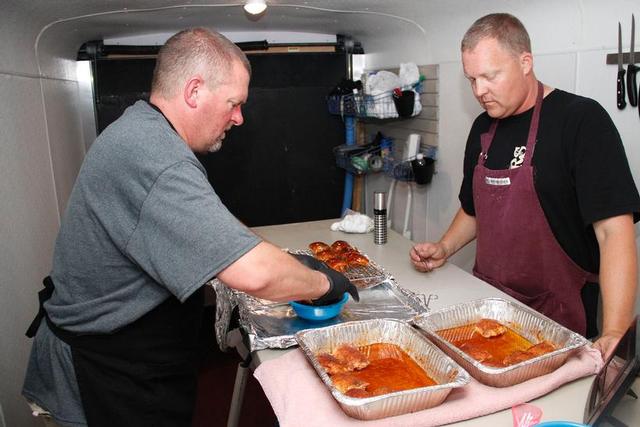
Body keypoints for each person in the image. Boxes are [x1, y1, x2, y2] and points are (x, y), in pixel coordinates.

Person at [22, 28, 358, 427]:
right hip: (99, 378)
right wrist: (324, 284)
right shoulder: (157, 158)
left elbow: (214, 220)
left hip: (127, 358)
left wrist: (284, 258)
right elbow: (252, 274)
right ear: (194, 91)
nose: (239, 117)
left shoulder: (144, 129)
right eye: (234, 103)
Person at [410, 13, 639, 358]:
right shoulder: (483, 129)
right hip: (487, 314)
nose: (479, 91)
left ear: (525, 62)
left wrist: (616, 331)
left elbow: (614, 232)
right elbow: (475, 209)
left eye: (490, 76)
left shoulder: (580, 121)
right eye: (472, 79)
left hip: (558, 321)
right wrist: (445, 247)